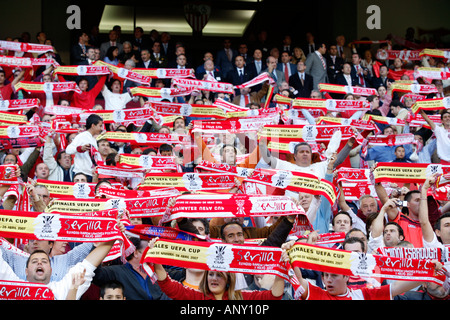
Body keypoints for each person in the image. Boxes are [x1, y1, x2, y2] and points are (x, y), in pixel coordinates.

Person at [281, 240, 443, 300]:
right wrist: (291, 255)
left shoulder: (363, 295)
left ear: (347, 277)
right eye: (326, 276)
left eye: (334, 275)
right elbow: (299, 281)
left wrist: (426, 272)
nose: (328, 279)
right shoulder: (318, 295)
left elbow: (398, 288)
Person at [148, 237, 285, 300]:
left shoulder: (241, 297)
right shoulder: (197, 297)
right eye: (211, 274)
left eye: (219, 275)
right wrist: (156, 257)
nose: (213, 278)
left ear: (228, 280)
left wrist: (281, 268)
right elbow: (168, 285)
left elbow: (274, 296)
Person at [92, 237, 168, 300]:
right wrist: (96, 247)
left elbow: (177, 277)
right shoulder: (116, 272)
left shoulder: (157, 271)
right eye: (149, 251)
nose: (152, 254)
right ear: (135, 253)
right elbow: (97, 275)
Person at [66, 114, 104, 182]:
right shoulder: (82, 136)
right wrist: (80, 149)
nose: (101, 129)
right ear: (93, 125)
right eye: (100, 126)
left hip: (91, 173)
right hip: (81, 174)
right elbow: (68, 150)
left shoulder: (93, 139)